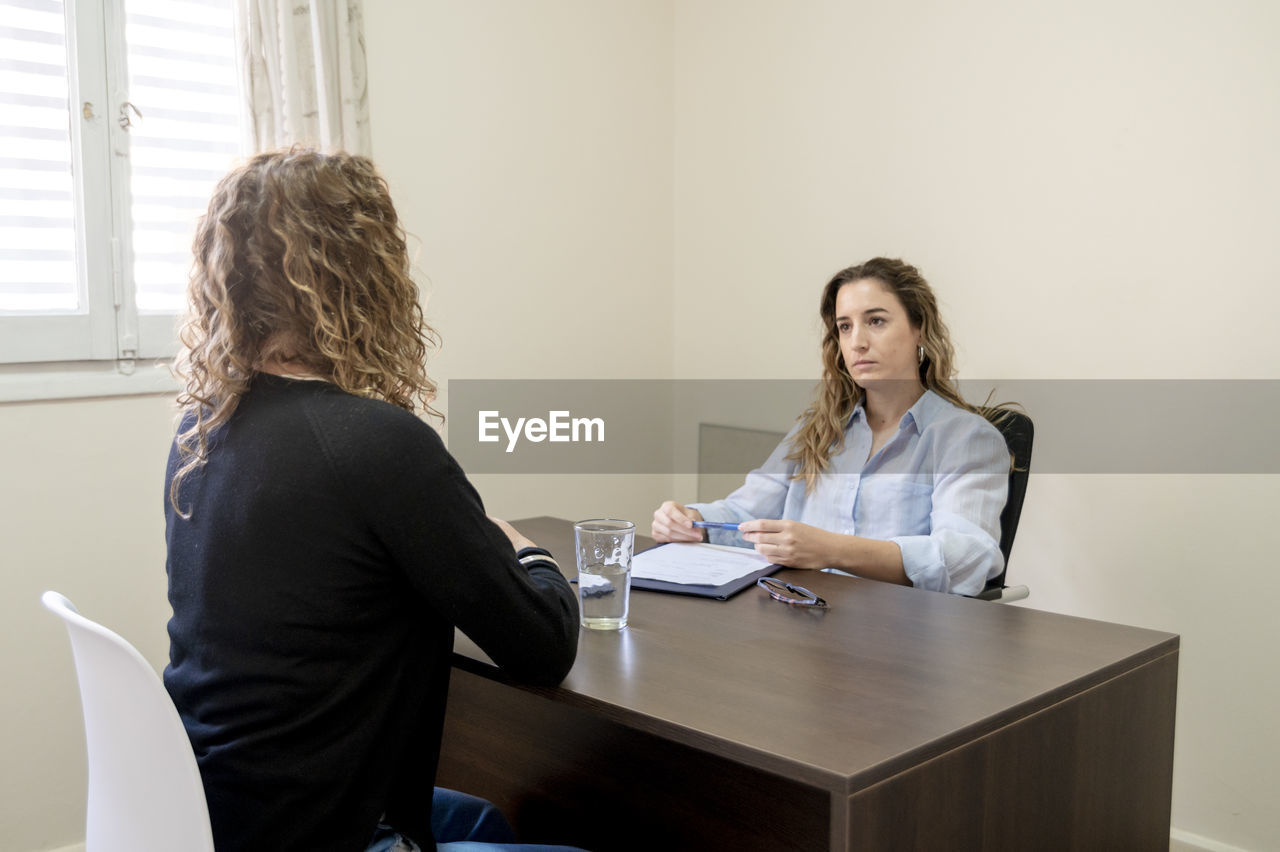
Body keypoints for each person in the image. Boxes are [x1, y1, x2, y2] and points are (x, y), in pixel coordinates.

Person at [163, 147, 584, 852]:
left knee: (483, 818)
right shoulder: (379, 444)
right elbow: (542, 644)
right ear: (363, 275)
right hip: (330, 830)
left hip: (224, 809)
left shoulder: (201, 429)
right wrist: (529, 551)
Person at [651, 258, 1010, 596]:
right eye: (845, 327)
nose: (858, 342)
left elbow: (967, 556)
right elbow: (747, 514)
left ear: (919, 329)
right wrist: (692, 520)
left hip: (902, 638)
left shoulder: (966, 438)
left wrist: (831, 550)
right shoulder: (818, 428)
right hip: (801, 619)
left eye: (876, 321)